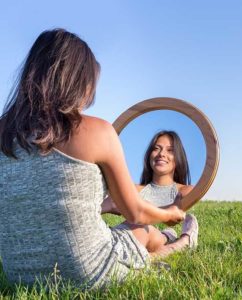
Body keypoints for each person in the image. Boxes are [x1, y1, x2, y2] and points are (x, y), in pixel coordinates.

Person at [0, 29, 198, 289]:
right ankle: (181, 242)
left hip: (20, 277)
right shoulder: (98, 131)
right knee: (140, 231)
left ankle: (163, 243)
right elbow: (136, 212)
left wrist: (100, 205)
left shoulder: (4, 131)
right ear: (78, 80)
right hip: (87, 273)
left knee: (130, 235)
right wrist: (168, 212)